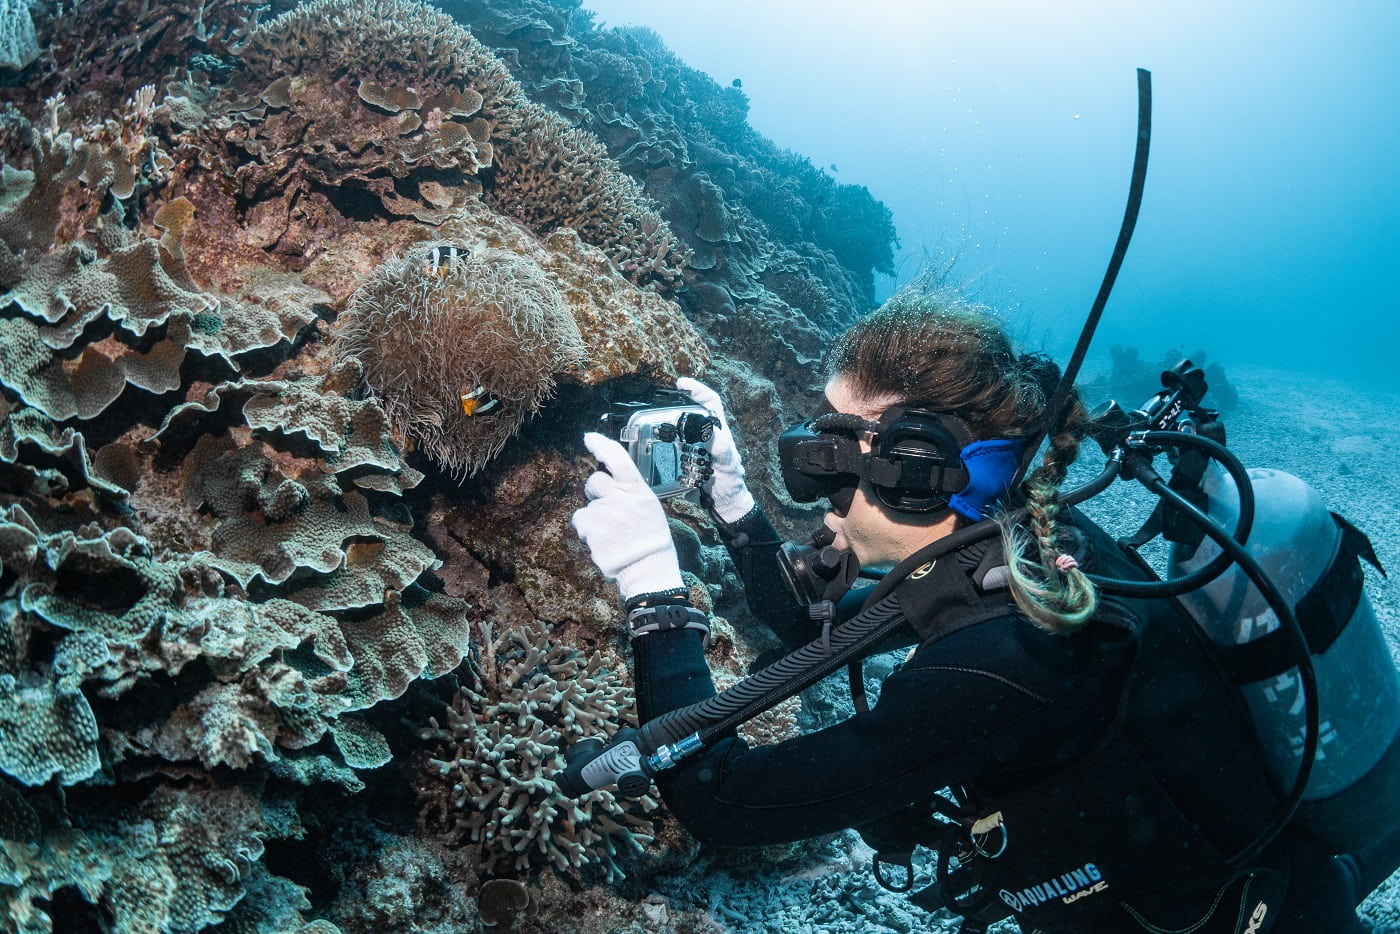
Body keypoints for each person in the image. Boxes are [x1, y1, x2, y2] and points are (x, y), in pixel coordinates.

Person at [570, 291, 1400, 933]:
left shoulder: (1005, 662)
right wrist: (732, 502)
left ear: (918, 472)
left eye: (828, 460)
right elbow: (809, 627)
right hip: (1257, 863)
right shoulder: (1015, 545)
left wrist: (653, 588)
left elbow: (722, 801)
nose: (816, 489)